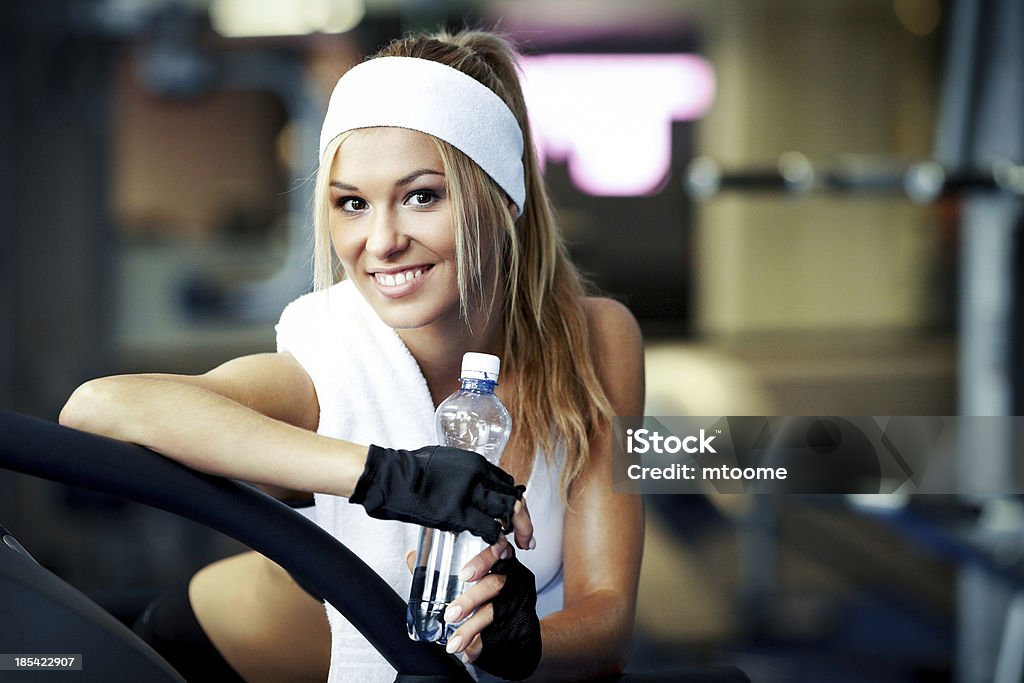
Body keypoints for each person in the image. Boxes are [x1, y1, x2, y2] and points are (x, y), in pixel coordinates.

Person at [60, 28, 645, 683]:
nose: (382, 240)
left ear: (504, 199)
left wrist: (525, 644)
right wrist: (389, 476)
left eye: (422, 195)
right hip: (198, 660)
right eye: (352, 204)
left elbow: (609, 617)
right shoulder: (324, 366)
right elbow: (95, 410)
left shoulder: (596, 339)